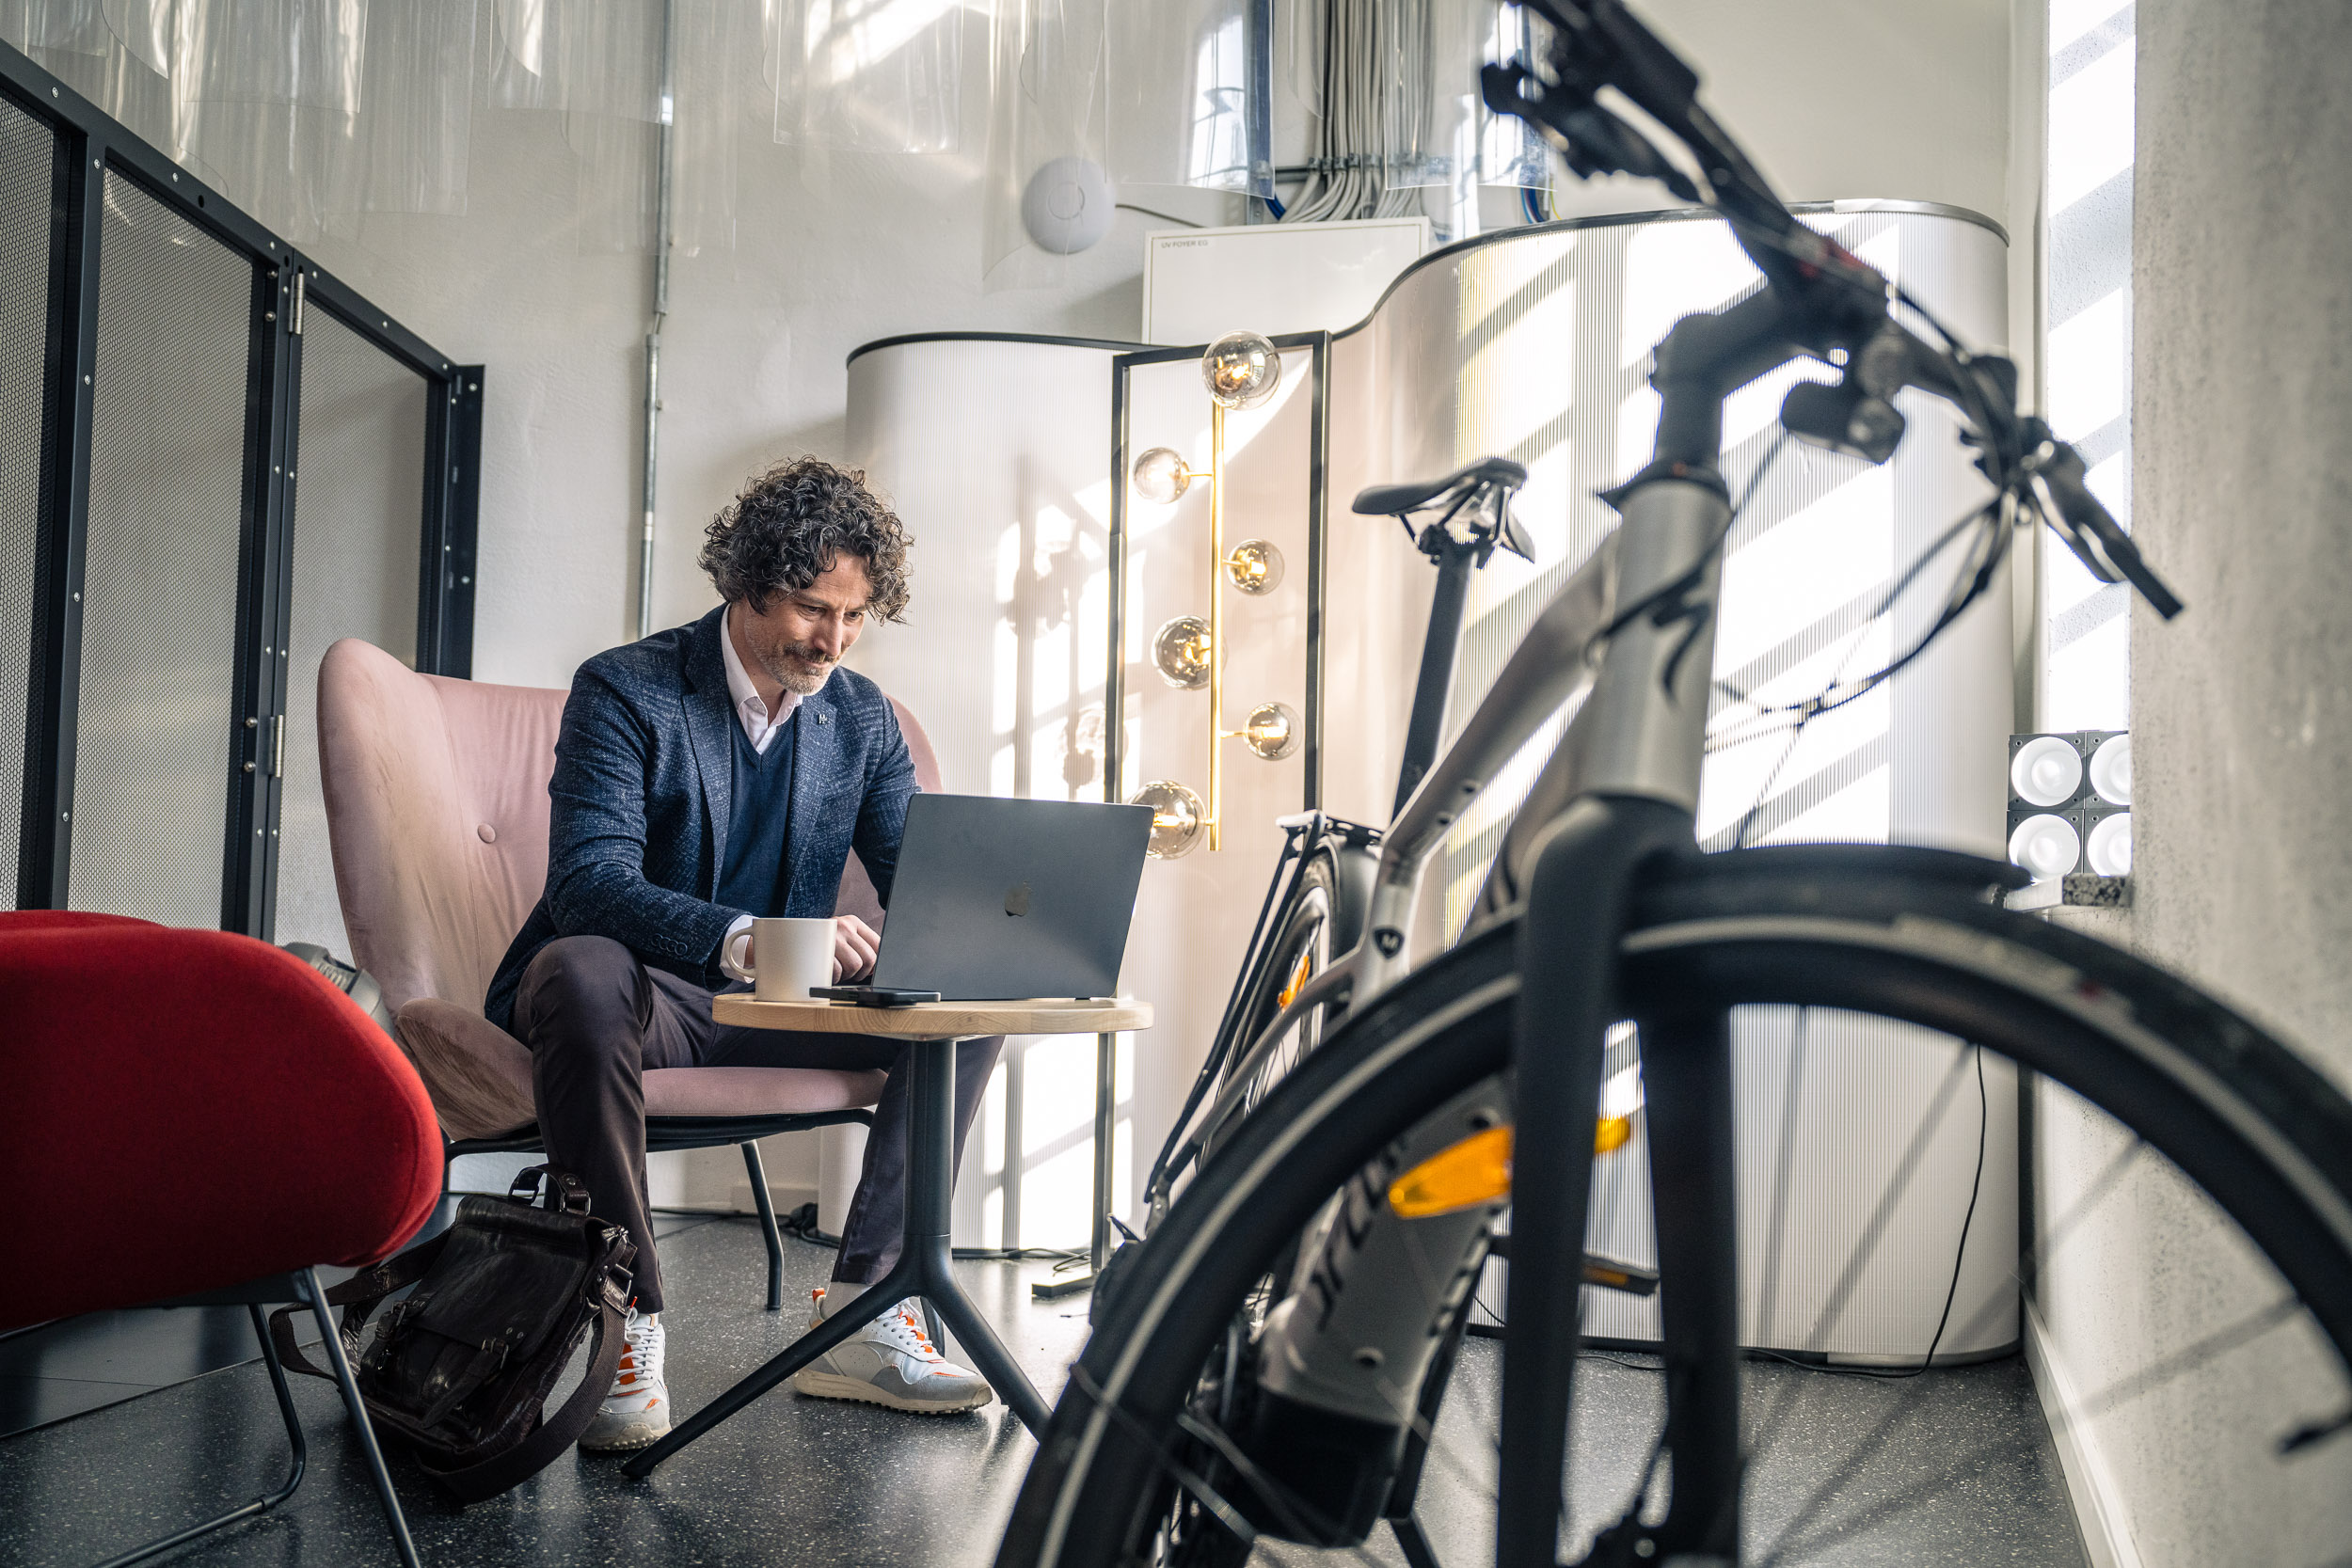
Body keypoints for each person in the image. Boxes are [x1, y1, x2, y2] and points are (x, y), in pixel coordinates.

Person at [482, 457, 1002, 1450]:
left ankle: (864, 1307)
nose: (833, 640)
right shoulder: (627, 688)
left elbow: (916, 883)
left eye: (854, 617)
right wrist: (741, 935)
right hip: (648, 999)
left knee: (971, 1004)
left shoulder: (862, 718)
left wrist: (975, 927)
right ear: (745, 583)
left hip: (784, 1009)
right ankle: (627, 1313)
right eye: (813, 609)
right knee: (578, 965)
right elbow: (585, 882)